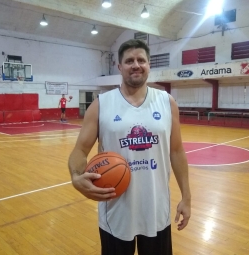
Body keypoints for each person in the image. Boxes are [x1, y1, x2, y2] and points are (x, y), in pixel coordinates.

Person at [68, 39, 191, 255]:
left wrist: (187, 198)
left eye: (141, 60)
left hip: (156, 209)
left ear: (149, 64)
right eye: (129, 60)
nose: (136, 65)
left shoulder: (167, 102)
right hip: (116, 210)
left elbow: (177, 151)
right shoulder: (101, 104)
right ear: (120, 67)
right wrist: (77, 176)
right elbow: (79, 150)